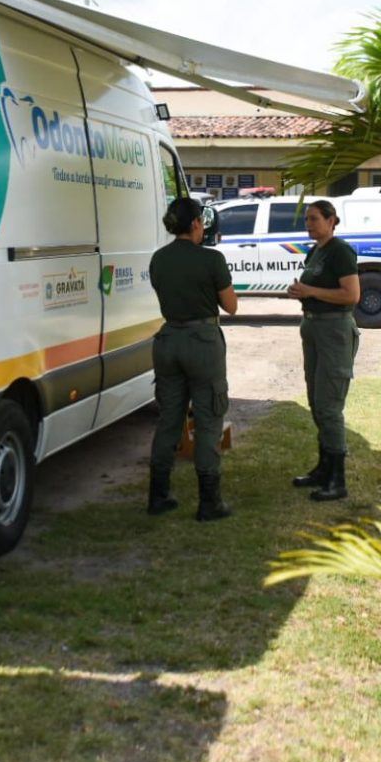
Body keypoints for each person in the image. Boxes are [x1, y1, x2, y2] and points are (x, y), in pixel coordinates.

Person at [147, 197, 239, 521]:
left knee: (169, 420)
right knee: (208, 419)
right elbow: (231, 306)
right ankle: (209, 502)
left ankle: (158, 496)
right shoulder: (212, 259)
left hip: (168, 341)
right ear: (197, 223)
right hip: (202, 344)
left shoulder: (158, 259)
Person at [285, 199, 359, 501]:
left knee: (329, 405)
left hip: (334, 331)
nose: (309, 224)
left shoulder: (341, 251)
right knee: (316, 401)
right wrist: (301, 292)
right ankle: (323, 469)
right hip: (313, 327)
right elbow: (314, 287)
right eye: (307, 219)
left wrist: (311, 291)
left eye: (314, 219)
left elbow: (351, 295)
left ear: (331, 221)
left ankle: (337, 481)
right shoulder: (316, 251)